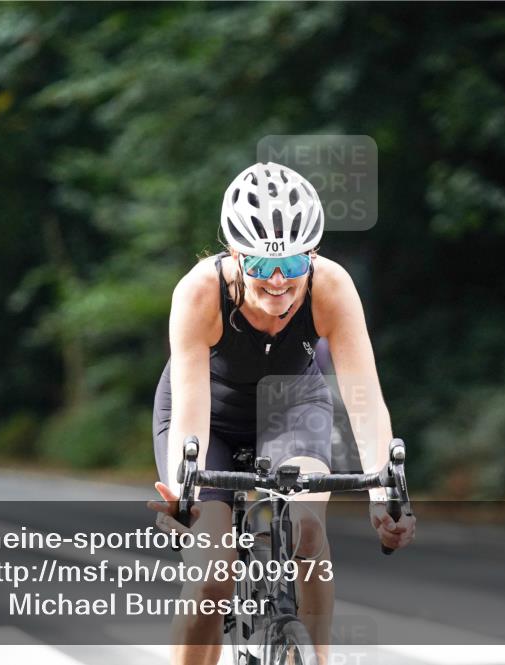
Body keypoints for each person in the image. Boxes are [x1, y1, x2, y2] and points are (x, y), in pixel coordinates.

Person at [148, 162, 415, 665]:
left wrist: (386, 496)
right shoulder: (199, 293)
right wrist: (184, 496)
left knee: (308, 530)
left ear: (310, 257)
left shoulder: (331, 286)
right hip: (209, 415)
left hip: (293, 407)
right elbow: (190, 412)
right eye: (260, 267)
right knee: (212, 573)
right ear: (235, 255)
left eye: (292, 266)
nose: (277, 282)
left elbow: (364, 398)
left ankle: (317, 657)